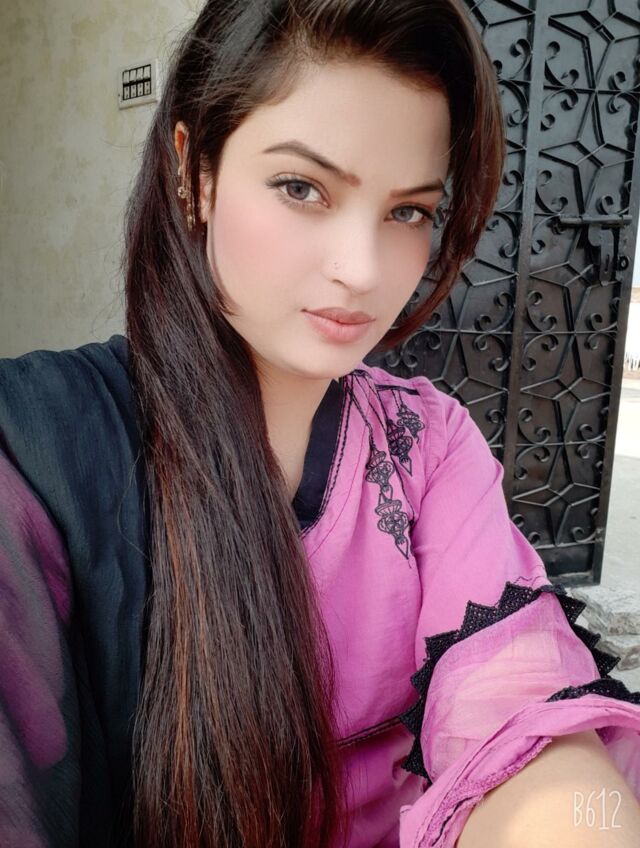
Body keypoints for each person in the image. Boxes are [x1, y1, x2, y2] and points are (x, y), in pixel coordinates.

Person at [1, 1, 639, 846]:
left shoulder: (427, 447)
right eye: (302, 188)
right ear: (194, 172)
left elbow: (519, 718)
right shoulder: (36, 458)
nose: (362, 270)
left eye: (408, 211)